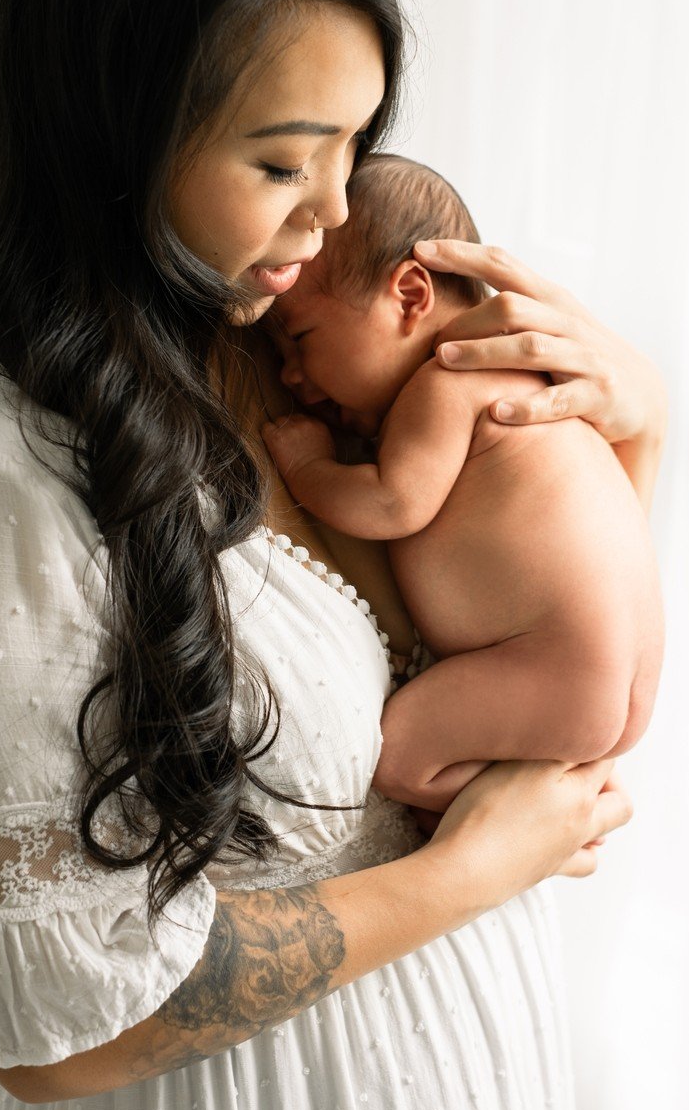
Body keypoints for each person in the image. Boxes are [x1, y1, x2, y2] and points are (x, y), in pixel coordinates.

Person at [0, 0, 664, 1110]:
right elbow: (60, 1033)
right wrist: (474, 870)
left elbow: (549, 670)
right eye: (283, 159)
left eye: (357, 144)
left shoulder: (289, 349)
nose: (337, 212)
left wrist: (630, 438)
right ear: (111, 141)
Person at [263, 153, 665, 813]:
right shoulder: (531, 384)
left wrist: (309, 470)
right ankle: (540, 798)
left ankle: (510, 821)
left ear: (411, 296)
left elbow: (394, 503)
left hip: (550, 665)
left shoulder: (447, 379)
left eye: (301, 338)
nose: (290, 376)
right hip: (617, 679)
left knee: (397, 760)